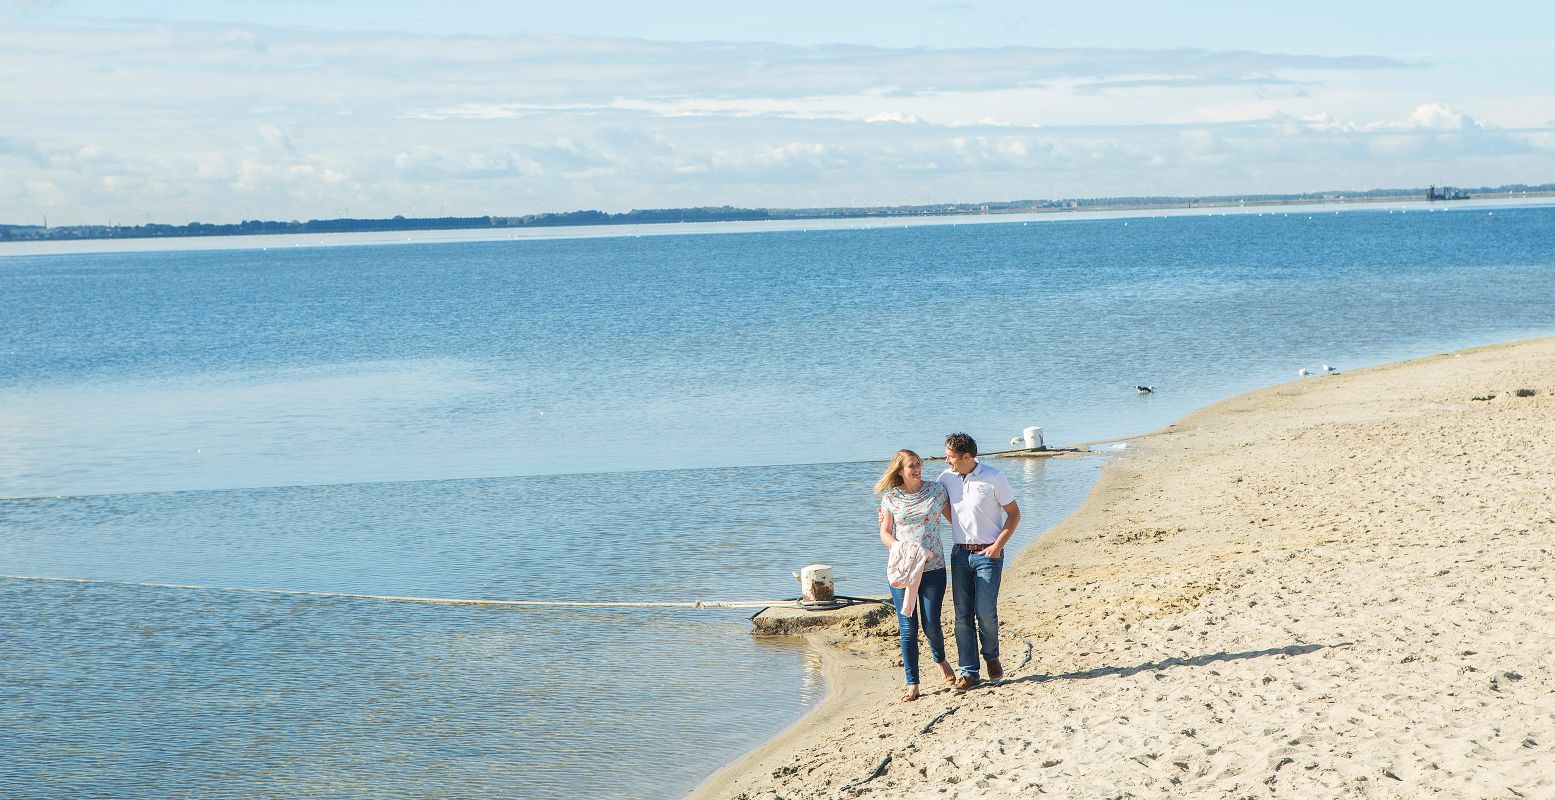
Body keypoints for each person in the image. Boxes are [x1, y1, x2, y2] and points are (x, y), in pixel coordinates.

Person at [939, 432, 1020, 690]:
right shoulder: (946, 478)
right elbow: (930, 500)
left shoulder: (994, 477)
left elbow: (1014, 514)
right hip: (960, 554)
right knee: (962, 615)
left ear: (967, 457)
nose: (946, 460)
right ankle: (969, 672)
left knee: (984, 612)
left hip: (989, 554)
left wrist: (998, 546)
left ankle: (992, 656)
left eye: (951, 456)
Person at [876, 448, 957, 701]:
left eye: (919, 463)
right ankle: (913, 684)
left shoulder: (936, 491)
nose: (917, 468)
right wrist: (902, 547)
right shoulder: (891, 498)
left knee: (931, 623)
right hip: (903, 569)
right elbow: (885, 533)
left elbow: (957, 519)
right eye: (912, 465)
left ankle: (940, 660)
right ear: (900, 471)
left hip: (933, 567)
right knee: (907, 628)